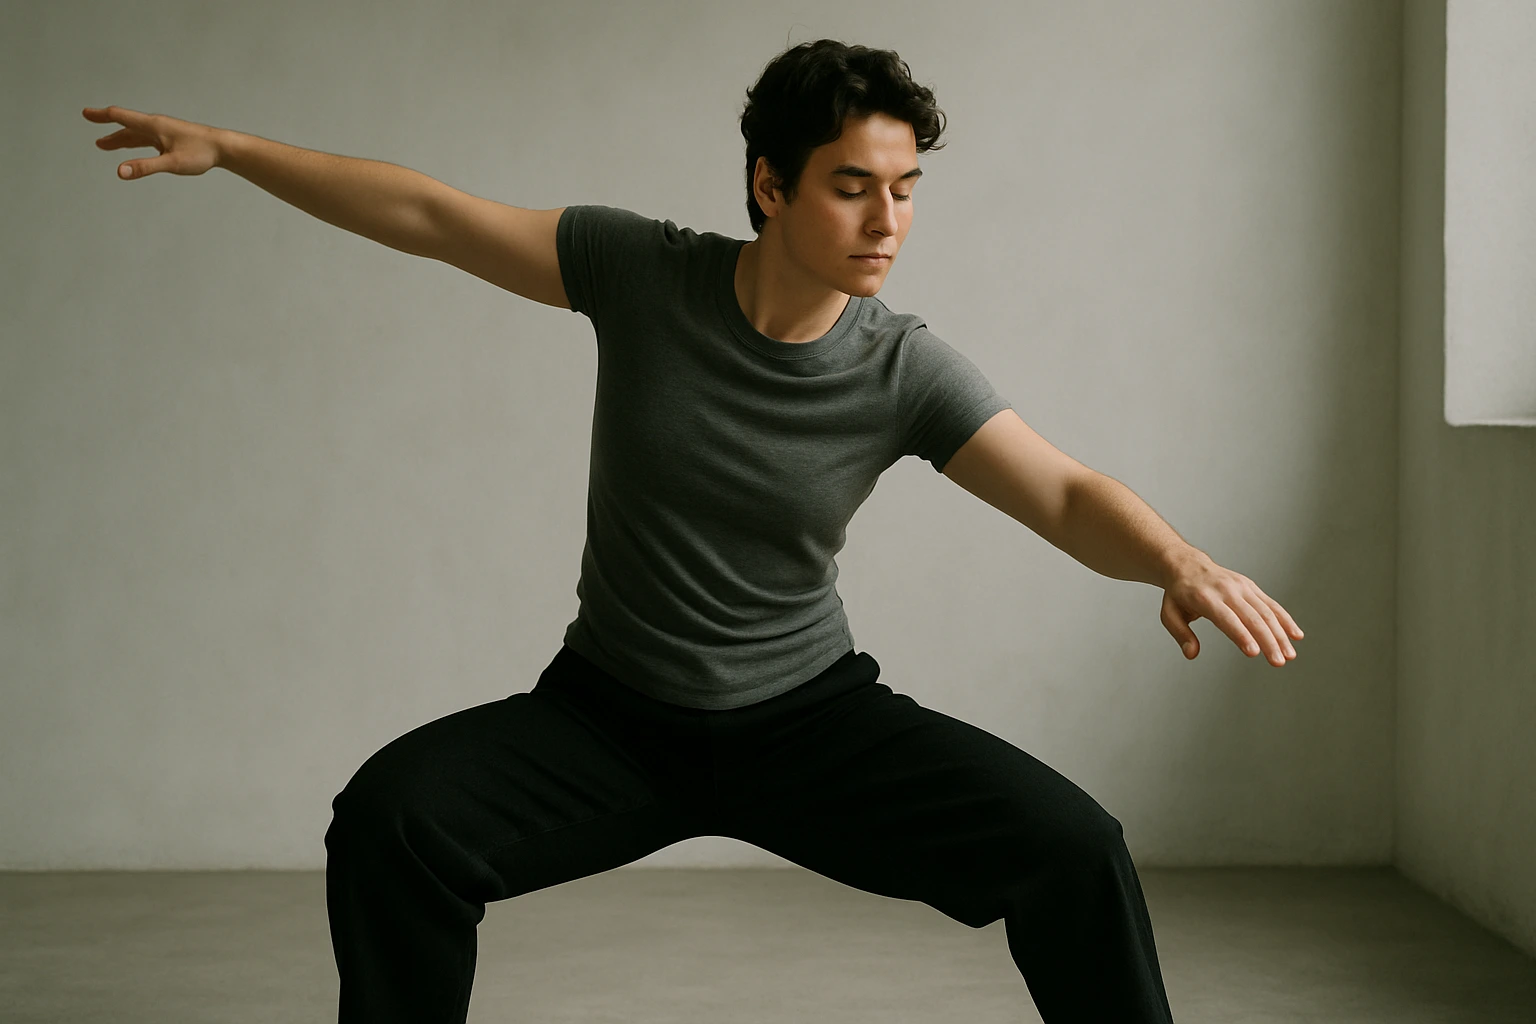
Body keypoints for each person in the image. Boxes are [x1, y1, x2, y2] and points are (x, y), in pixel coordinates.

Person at [86, 37, 1302, 1024]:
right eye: (851, 184)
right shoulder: (639, 273)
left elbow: (1063, 490)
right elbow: (431, 212)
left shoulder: (901, 369)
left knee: (1075, 848)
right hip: (608, 718)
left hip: (810, 721)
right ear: (769, 185)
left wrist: (1176, 560)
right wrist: (235, 149)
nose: (889, 219)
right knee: (394, 820)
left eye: (907, 189)